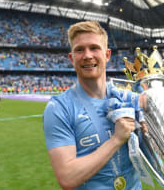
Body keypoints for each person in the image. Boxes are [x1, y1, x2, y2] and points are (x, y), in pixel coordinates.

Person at [43, 21, 145, 190]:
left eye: (94, 48)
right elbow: (67, 178)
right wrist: (116, 140)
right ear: (72, 58)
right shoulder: (59, 109)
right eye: (79, 49)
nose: (87, 55)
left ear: (107, 54)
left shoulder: (129, 100)